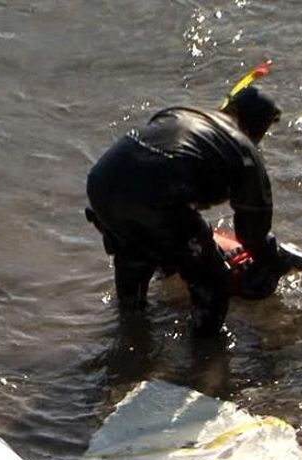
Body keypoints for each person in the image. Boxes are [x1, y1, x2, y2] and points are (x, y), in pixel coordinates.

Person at [85, 83, 283, 335]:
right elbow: (254, 235)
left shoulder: (179, 112)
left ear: (230, 107)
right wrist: (273, 263)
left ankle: (130, 334)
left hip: (102, 183)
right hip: (157, 200)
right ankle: (205, 362)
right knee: (213, 282)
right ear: (260, 127)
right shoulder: (245, 151)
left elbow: (153, 164)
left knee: (134, 255)